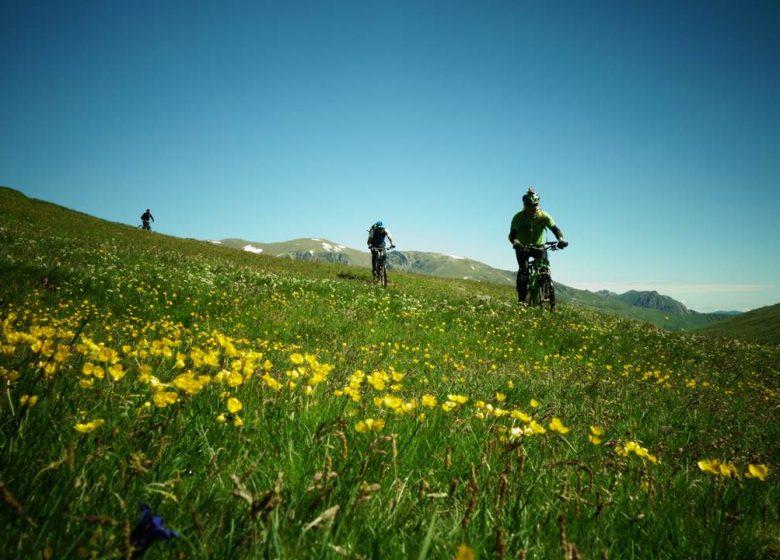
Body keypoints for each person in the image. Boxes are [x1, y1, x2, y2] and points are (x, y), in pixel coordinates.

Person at [508, 188, 568, 306]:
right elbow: (512, 236)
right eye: (530, 205)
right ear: (525, 205)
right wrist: (516, 243)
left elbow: (556, 230)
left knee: (544, 268)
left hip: (539, 246)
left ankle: (544, 291)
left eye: (535, 205)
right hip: (522, 247)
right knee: (524, 272)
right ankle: (521, 301)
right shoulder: (518, 217)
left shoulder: (543, 216)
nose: (533, 208)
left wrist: (560, 240)